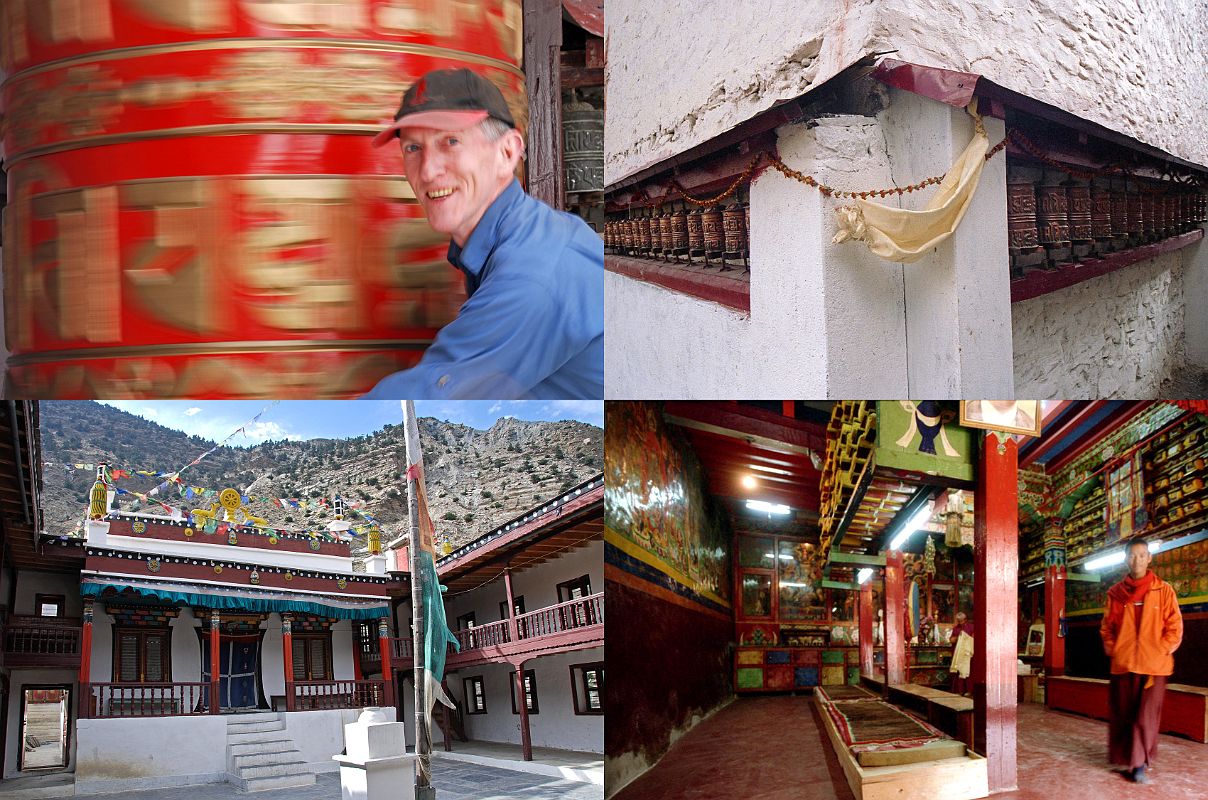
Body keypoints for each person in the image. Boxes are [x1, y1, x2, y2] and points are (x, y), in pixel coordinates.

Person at [363, 68, 603, 399]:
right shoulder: (507, 240)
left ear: (506, 154)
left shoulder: (532, 274)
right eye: (413, 149)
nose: (429, 171)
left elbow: (437, 396)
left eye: (451, 141)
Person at [1099, 536, 1183, 784]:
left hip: (1153, 667)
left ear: (1149, 558)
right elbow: (1106, 628)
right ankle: (1128, 760)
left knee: (1145, 716)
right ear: (1126, 559)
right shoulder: (1115, 593)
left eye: (1141, 555)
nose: (1137, 560)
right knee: (1124, 714)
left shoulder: (1164, 590)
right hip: (1124, 664)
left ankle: (1138, 765)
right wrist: (1115, 650)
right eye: (1132, 555)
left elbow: (1175, 627)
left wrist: (1161, 649)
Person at [949, 611, 975, 695]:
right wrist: (958, 638)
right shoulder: (956, 628)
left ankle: (969, 690)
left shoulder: (971, 627)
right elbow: (951, 639)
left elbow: (974, 639)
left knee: (968, 671)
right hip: (958, 653)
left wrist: (965, 638)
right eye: (958, 620)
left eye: (961, 620)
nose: (960, 622)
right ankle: (959, 690)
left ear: (965, 619)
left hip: (967, 653)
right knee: (958, 671)